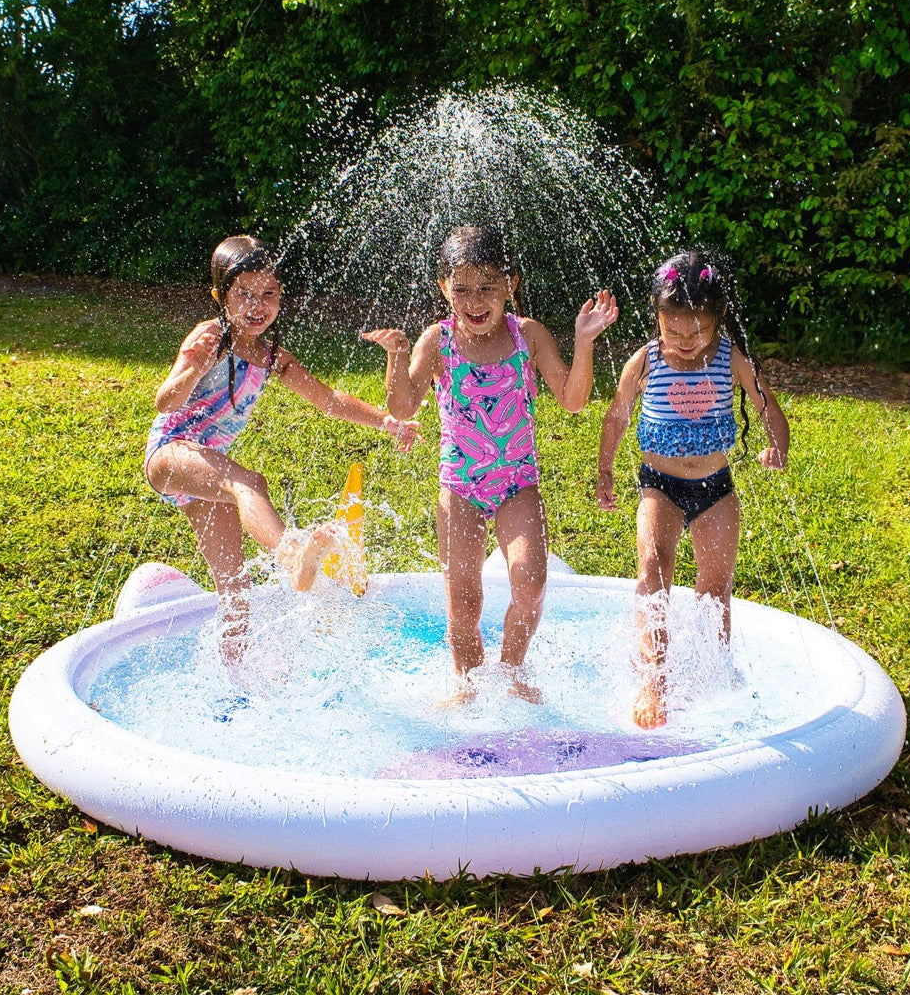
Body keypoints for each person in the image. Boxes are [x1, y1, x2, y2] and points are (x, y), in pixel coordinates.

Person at [365, 225, 618, 704]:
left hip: (517, 482)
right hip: (460, 486)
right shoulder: (437, 342)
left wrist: (584, 341)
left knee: (531, 580)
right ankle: (467, 684)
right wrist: (397, 355)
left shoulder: (529, 335)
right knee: (462, 600)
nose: (474, 300)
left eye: (487, 287)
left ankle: (510, 670)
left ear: (510, 285)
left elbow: (573, 399)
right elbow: (402, 407)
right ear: (443, 289)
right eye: (461, 288)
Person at [145, 235, 421, 671]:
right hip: (170, 455)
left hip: (206, 470)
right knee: (249, 482)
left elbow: (329, 400)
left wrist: (387, 422)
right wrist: (195, 366)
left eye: (268, 294)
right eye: (245, 295)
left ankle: (231, 679)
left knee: (236, 588)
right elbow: (165, 402)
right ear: (221, 296)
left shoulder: (271, 356)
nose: (258, 305)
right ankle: (292, 553)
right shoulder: (209, 337)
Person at [595, 250, 790, 729]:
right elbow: (618, 417)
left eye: (696, 331)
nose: (685, 341)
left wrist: (776, 446)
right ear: (658, 320)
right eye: (673, 330)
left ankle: (710, 677)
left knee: (715, 588)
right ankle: (653, 682)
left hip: (716, 487)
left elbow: (767, 406)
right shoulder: (644, 362)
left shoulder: (730, 358)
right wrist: (604, 470)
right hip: (658, 485)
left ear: (717, 320)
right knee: (652, 568)